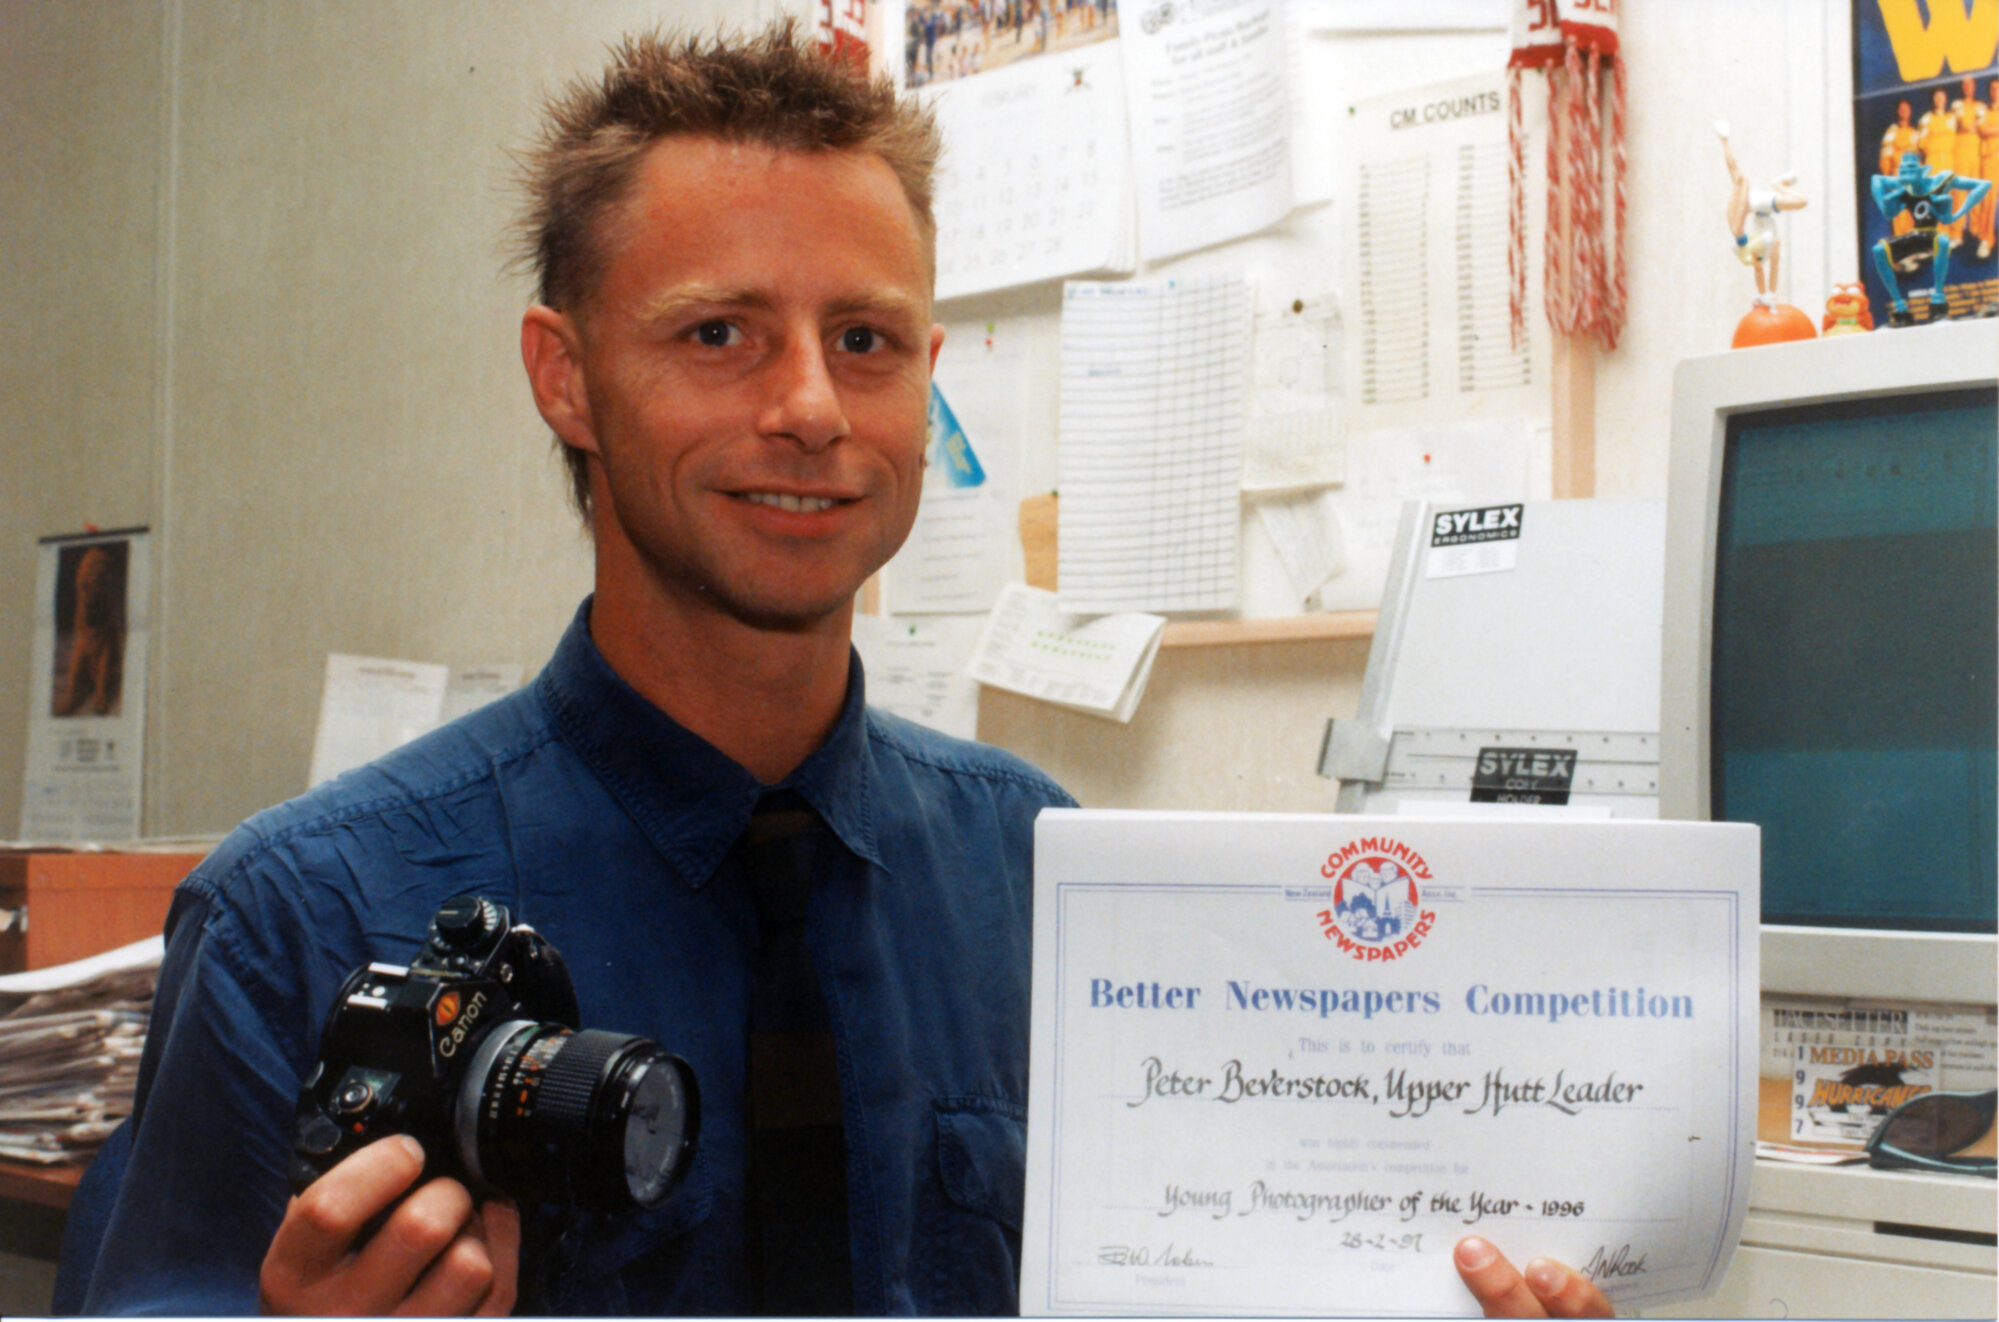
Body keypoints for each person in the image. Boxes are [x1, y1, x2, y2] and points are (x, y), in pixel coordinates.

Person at [82, 21, 1607, 1318]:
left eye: (866, 340)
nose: (812, 407)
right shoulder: (302, 915)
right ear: (567, 376)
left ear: (926, 380)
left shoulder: (1048, 876)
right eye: (720, 333)